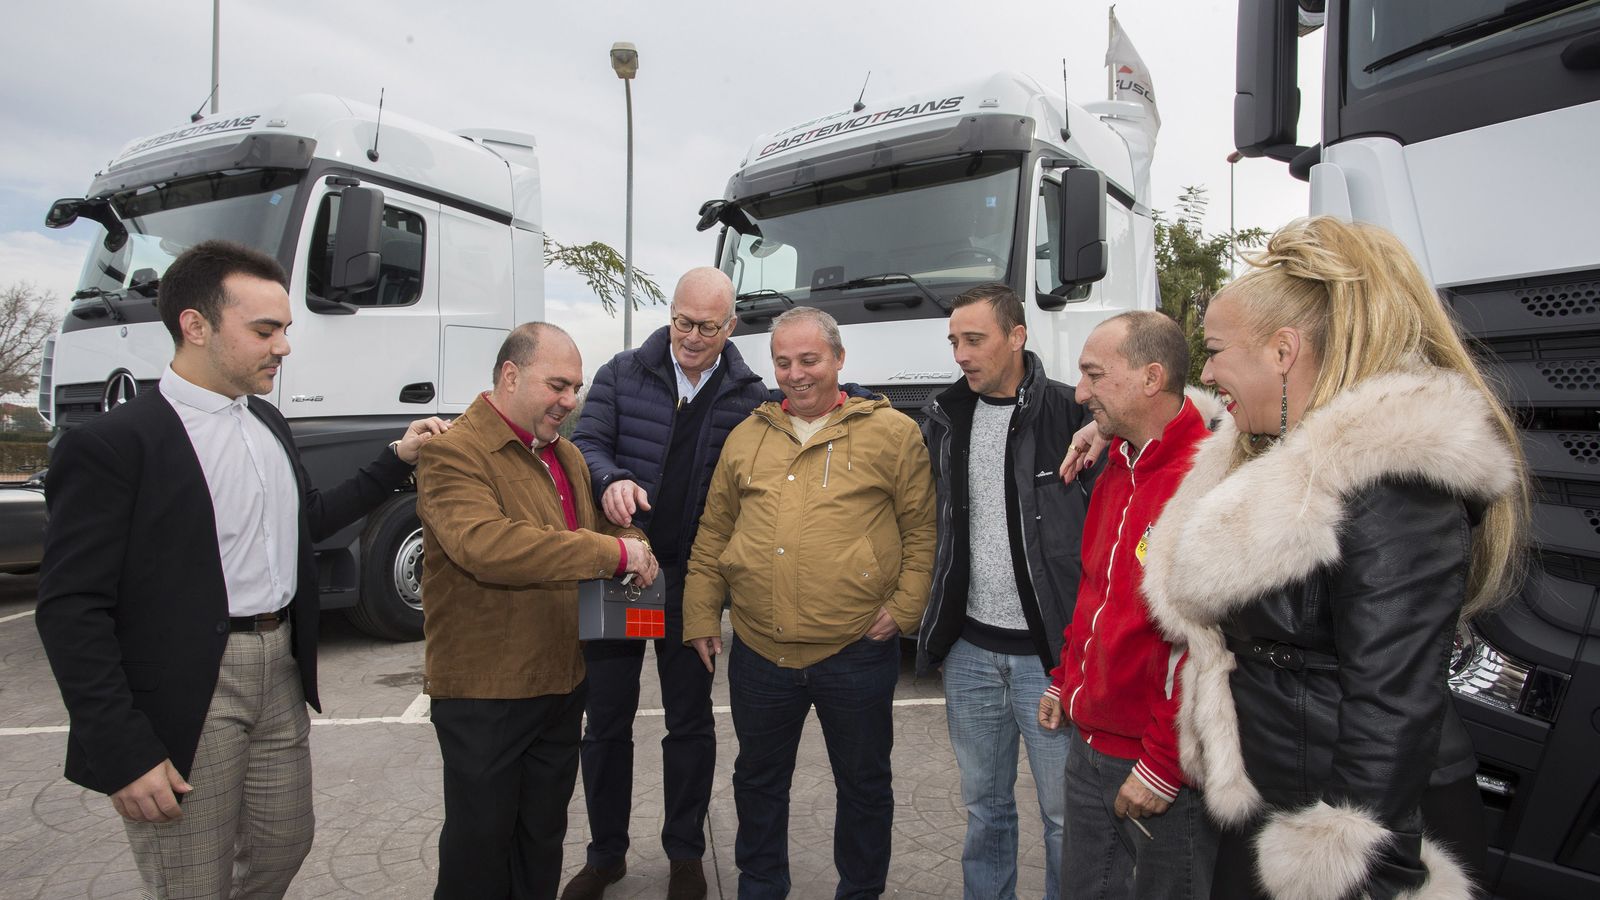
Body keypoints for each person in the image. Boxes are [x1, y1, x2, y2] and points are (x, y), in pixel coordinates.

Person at [34, 240, 448, 899]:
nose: (283, 347)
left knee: (287, 841)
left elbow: (307, 522)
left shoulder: (267, 423)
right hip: (186, 689)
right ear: (195, 326)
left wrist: (397, 457)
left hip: (278, 670)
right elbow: (71, 607)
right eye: (265, 330)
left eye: (285, 329)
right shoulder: (113, 445)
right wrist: (122, 750)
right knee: (192, 880)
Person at [1139, 216, 1528, 900]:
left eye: (1218, 350)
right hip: (1279, 799)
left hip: (1352, 836)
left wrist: (1348, 870)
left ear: (1283, 351)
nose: (1205, 371)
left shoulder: (1394, 482)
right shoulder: (1283, 458)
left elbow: (1393, 711)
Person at [681, 306, 936, 899]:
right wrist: (699, 613)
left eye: (809, 360)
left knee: (865, 786)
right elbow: (713, 533)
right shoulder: (748, 435)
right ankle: (761, 887)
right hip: (760, 656)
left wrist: (904, 609)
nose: (795, 374)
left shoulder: (892, 433)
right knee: (758, 783)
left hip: (855, 653)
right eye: (783, 361)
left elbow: (923, 530)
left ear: (839, 360)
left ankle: (861, 890)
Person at [416, 322, 660, 900]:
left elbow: (603, 528)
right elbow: (488, 546)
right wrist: (613, 551)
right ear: (510, 375)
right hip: (485, 693)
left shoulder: (565, 454)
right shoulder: (453, 453)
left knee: (542, 842)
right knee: (479, 851)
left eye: (575, 388)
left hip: (560, 683)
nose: (570, 401)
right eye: (558, 385)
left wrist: (635, 537)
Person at [564, 268, 767, 900]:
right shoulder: (623, 372)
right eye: (683, 321)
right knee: (607, 721)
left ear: (729, 326)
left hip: (694, 578)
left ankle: (685, 852)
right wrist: (609, 480)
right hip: (626, 566)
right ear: (670, 313)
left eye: (708, 326)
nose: (693, 337)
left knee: (690, 723)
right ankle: (606, 855)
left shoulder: (748, 395)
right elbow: (586, 442)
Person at [915, 283, 1094, 900]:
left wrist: (1074, 659)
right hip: (969, 655)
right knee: (985, 811)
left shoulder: (1075, 417)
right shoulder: (944, 419)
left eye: (974, 340)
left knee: (1066, 816)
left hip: (1049, 661)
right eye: (954, 342)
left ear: (1016, 337)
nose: (961, 355)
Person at [1037, 310, 1219, 899]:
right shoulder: (1120, 459)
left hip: (1155, 766)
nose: (1080, 391)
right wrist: (1066, 680)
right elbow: (1095, 591)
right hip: (1088, 743)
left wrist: (1165, 764)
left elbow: (1203, 643)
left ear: (1150, 378)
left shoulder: (1206, 478)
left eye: (1094, 374)